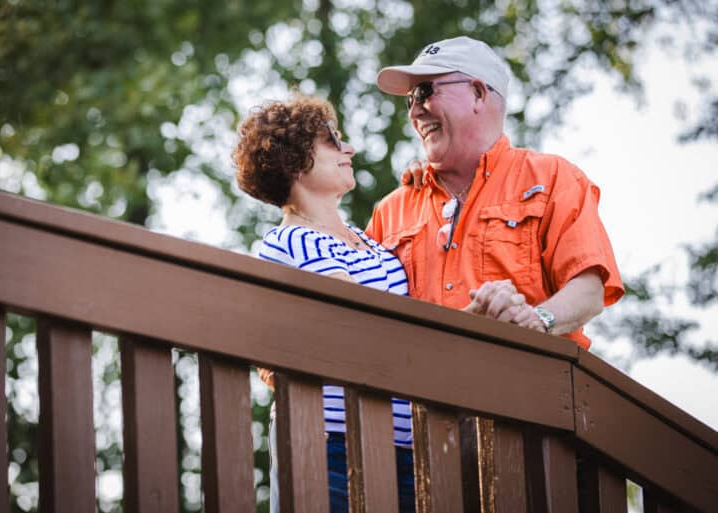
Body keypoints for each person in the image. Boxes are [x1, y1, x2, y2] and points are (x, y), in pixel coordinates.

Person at [367, 36, 625, 348]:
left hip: (529, 391)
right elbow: (365, 315)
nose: (414, 113)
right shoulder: (391, 210)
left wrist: (537, 319)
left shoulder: (554, 178)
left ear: (477, 93)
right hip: (420, 394)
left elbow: (589, 288)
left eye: (424, 92)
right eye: (410, 100)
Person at [233, 96, 415, 513]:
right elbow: (354, 318)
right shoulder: (290, 240)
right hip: (335, 445)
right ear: (293, 160)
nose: (347, 149)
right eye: (333, 140)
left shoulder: (369, 243)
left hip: (401, 444)